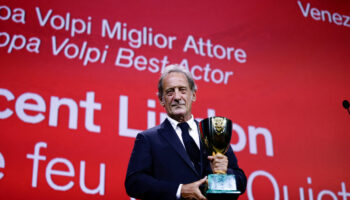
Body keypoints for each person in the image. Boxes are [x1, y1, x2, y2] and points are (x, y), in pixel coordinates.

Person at [125, 64, 246, 200]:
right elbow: (134, 183)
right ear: (161, 100)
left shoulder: (213, 134)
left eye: (182, 90)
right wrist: (180, 190)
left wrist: (224, 173)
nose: (177, 97)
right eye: (170, 92)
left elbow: (241, 182)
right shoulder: (148, 139)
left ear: (193, 95)